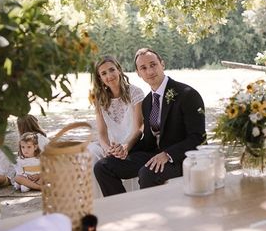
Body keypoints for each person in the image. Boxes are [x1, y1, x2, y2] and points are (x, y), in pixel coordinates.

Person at [94, 48, 206, 196]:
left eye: (153, 65)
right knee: (103, 167)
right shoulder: (147, 102)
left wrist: (167, 154)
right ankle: (123, 208)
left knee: (147, 173)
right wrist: (125, 150)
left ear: (162, 64)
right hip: (154, 154)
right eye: (143, 68)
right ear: (139, 73)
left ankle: (149, 213)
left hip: (181, 158)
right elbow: (148, 141)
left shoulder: (187, 94)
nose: (150, 71)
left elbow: (198, 137)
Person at [87, 55, 145, 197]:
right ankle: (100, 202)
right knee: (90, 153)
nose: (109, 76)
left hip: (132, 142)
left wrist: (125, 147)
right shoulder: (99, 99)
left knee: (119, 159)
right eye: (104, 73)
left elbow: (139, 128)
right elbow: (101, 133)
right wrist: (108, 149)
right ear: (100, 78)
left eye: (112, 70)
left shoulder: (135, 93)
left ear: (119, 70)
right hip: (111, 144)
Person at [0, 114, 49, 187]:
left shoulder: (37, 140)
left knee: (18, 178)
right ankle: (36, 185)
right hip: (37, 172)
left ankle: (36, 186)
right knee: (18, 178)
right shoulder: (36, 139)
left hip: (42, 171)